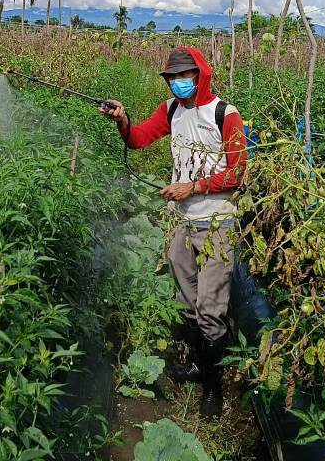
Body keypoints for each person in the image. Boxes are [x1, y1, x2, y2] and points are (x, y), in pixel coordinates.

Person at [101, 46, 247, 419]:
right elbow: (137, 138)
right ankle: (199, 367)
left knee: (211, 309)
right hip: (182, 222)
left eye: (186, 76)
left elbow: (237, 172)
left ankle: (213, 391)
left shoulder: (224, 115)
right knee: (188, 303)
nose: (179, 83)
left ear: (200, 74)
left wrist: (192, 187)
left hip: (216, 223)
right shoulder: (171, 111)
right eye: (173, 78)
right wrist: (122, 119)